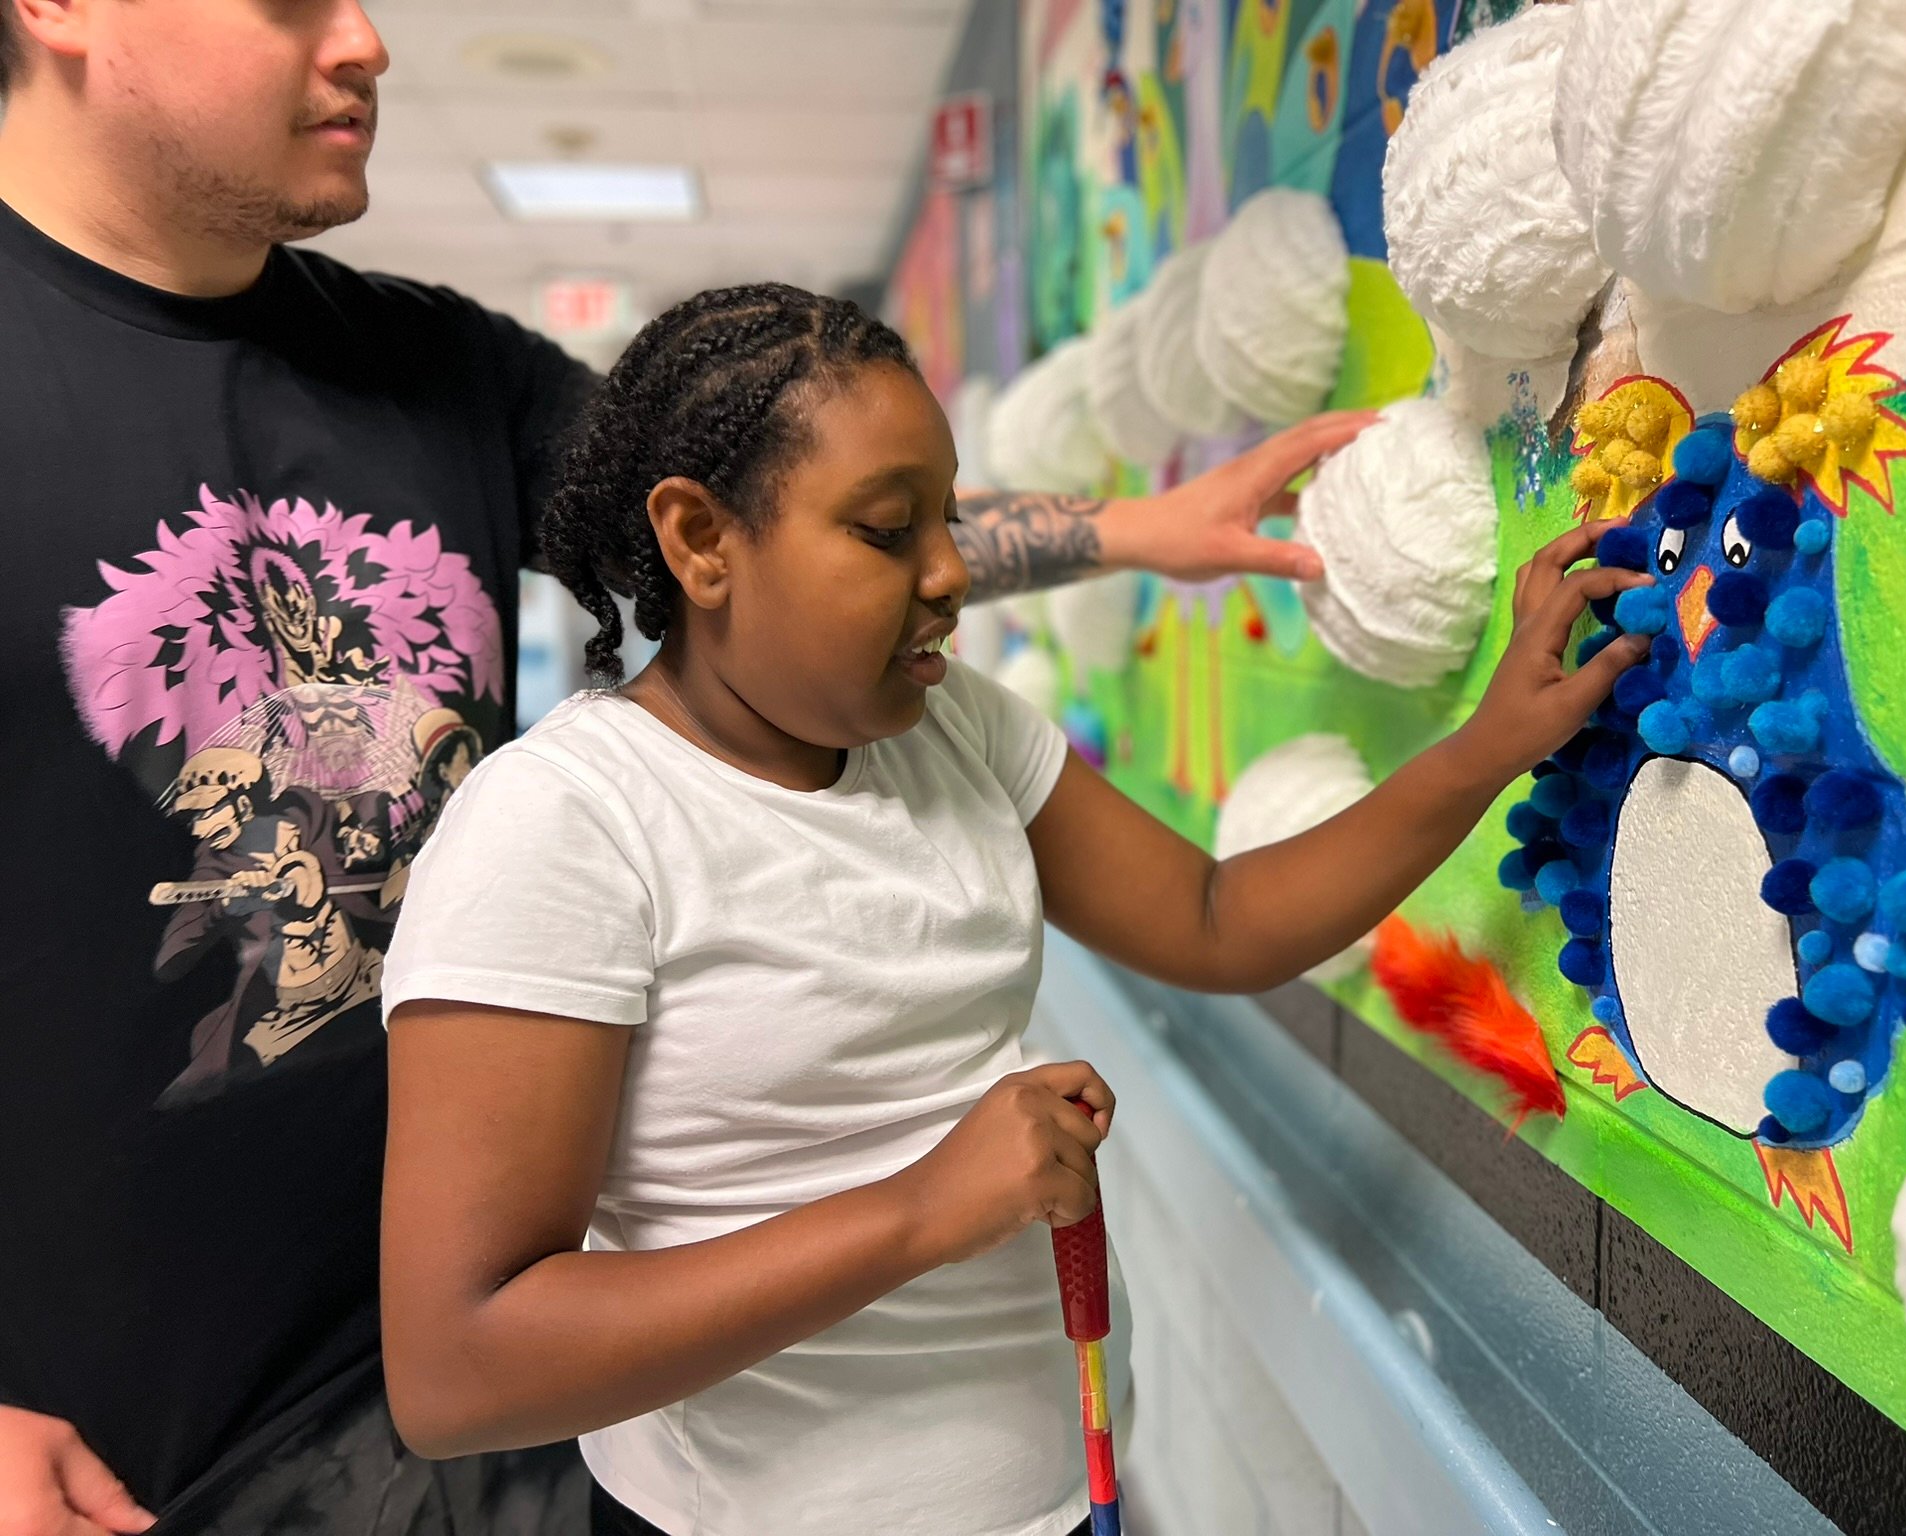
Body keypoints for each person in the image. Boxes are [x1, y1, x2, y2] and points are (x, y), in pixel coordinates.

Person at [0, 0, 1368, 1531]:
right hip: (116, 1434)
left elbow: (786, 515)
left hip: (538, 1381)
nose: (369, 38)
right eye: (289, 2)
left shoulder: (431, 364)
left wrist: (1121, 534)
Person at [376, 284, 1652, 1536]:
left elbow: (1214, 917)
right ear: (700, 541)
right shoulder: (560, 826)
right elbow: (461, 1370)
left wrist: (1484, 746)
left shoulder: (950, 726)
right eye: (886, 531)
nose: (947, 574)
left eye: (943, 518)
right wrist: (925, 1211)